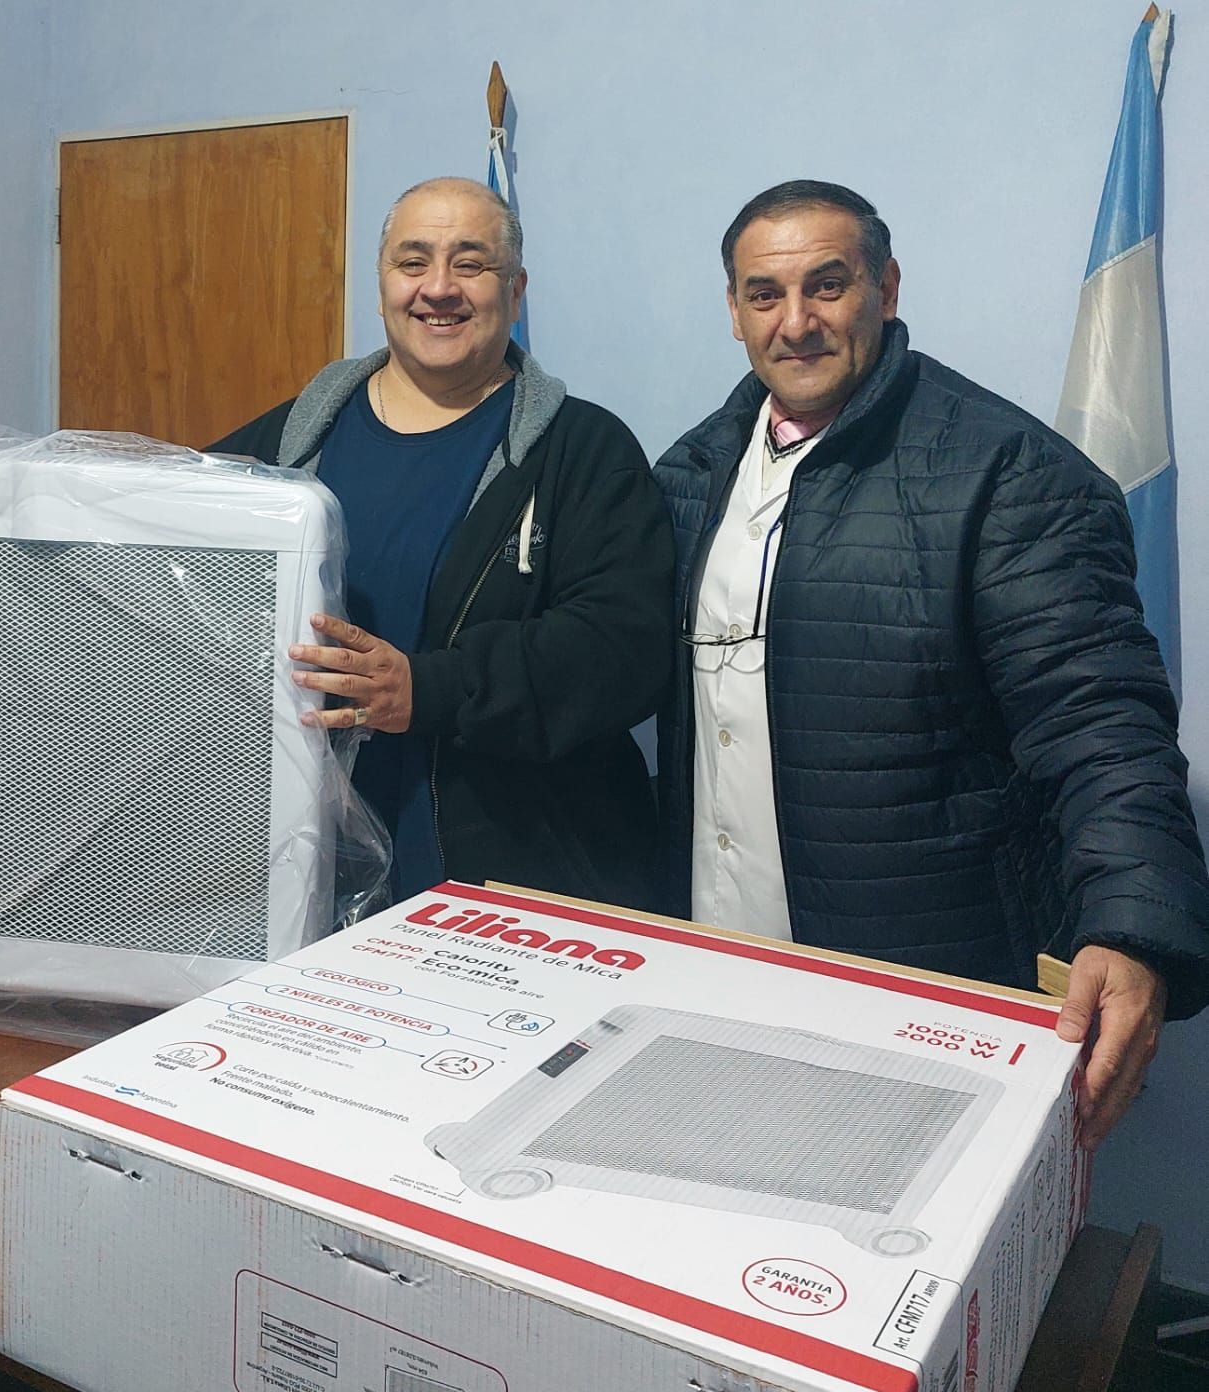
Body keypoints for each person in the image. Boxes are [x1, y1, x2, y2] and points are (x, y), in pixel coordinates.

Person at [655, 179, 1209, 1147]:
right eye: (764, 294)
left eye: (827, 285)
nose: (796, 322)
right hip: (719, 962)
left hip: (926, 985)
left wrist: (1129, 926)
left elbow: (1099, 723)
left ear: (886, 288)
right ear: (734, 312)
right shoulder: (689, 472)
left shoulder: (1007, 474)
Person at [211, 177, 673, 910]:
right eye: (413, 261)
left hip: (510, 883)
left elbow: (624, 652)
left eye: (470, 263)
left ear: (515, 290)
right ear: (382, 286)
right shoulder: (286, 446)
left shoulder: (584, 451)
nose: (438, 288)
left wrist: (428, 691)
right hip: (301, 880)